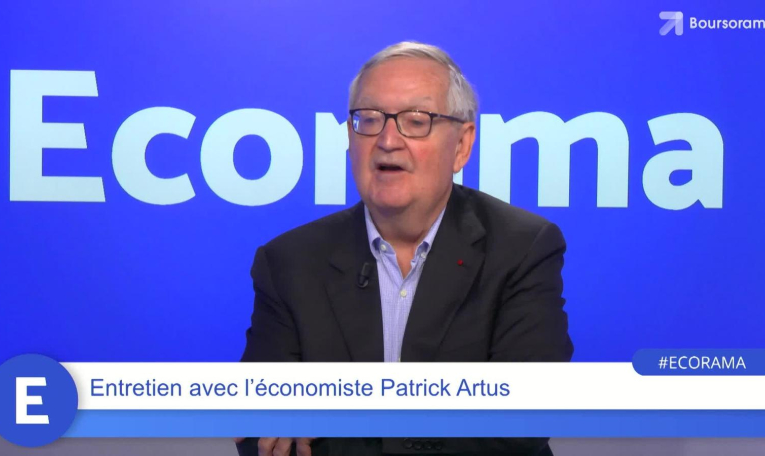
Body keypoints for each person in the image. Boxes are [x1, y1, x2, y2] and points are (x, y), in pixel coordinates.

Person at [238, 41, 573, 456]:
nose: (387, 140)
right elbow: (257, 424)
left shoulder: (522, 247)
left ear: (462, 145)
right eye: (369, 119)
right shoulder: (288, 261)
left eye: (416, 121)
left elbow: (524, 418)